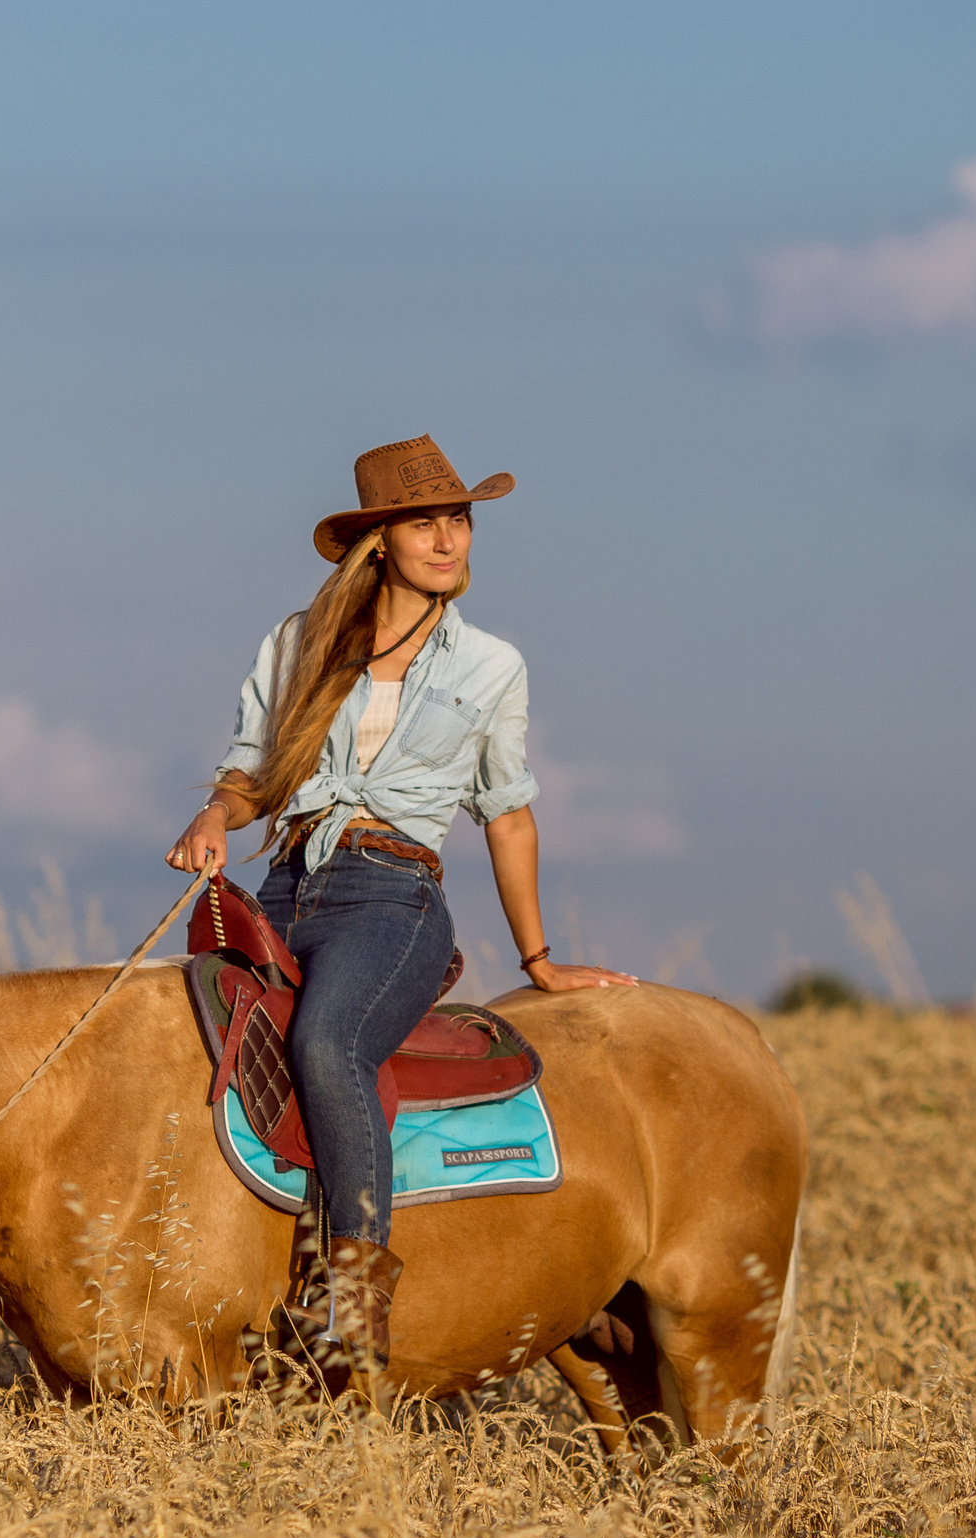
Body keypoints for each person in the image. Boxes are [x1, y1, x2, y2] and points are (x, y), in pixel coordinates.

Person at [166, 433, 636, 1385]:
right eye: (425, 521)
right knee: (185, 1037)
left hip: (394, 897)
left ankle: (351, 1301)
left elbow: (507, 814)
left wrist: (539, 958)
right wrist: (217, 814)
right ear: (379, 541)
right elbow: (253, 771)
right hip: (288, 885)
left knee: (329, 1044)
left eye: (458, 519)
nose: (449, 538)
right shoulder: (299, 642)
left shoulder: (492, 665)